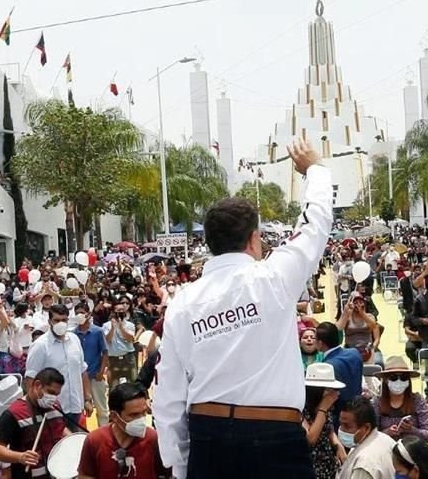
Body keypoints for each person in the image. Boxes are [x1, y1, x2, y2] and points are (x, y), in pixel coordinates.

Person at [154, 140, 332, 479]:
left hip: (210, 438)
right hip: (275, 438)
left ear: (210, 243)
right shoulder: (274, 276)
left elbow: (169, 396)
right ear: (254, 239)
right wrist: (315, 169)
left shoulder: (182, 303)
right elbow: (314, 226)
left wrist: (181, 466)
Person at [0, 367, 70, 479]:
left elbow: (61, 429)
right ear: (37, 385)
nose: (53, 398)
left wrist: (73, 441)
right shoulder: (13, 413)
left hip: (57, 473)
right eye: (50, 392)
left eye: (56, 394)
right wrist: (20, 457)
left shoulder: (55, 406)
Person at [77, 382, 166, 479]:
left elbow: (167, 474)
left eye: (144, 413)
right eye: (134, 415)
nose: (141, 419)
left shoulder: (154, 439)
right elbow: (85, 475)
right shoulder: (95, 440)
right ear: (115, 416)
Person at [25, 303, 91, 423]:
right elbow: (31, 378)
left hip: (76, 407)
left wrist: (87, 398)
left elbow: (83, 371)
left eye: (64, 320)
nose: (61, 323)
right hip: (51, 410)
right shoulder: (40, 345)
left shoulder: (75, 340)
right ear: (50, 321)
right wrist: (36, 407)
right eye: (57, 320)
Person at [372, 356, 428, 443]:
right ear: (385, 380)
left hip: (412, 451)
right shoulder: (377, 403)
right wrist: (386, 433)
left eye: (404, 377)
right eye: (393, 377)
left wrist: (412, 430)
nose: (399, 381)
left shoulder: (417, 400)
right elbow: (371, 437)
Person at [302, 363, 345, 479]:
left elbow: (328, 429)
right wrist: (323, 408)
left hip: (328, 466)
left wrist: (337, 444)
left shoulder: (328, 406)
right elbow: (310, 439)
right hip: (310, 467)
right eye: (328, 389)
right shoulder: (300, 409)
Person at [337, 396, 397, 479]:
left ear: (366, 427)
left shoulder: (364, 465)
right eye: (341, 424)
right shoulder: (386, 440)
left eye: (347, 426)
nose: (342, 430)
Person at [317, 321, 364, 423]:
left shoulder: (326, 367)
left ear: (320, 343)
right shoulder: (355, 353)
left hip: (339, 418)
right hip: (359, 412)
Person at [73, 302, 109, 426]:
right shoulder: (72, 334)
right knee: (80, 410)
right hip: (80, 378)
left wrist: (101, 371)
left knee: (102, 409)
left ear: (88, 314)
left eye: (82, 313)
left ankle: (103, 434)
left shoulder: (98, 331)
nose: (79, 315)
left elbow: (105, 352)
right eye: (77, 313)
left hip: (95, 376)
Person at [337, 292, 383, 367]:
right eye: (355, 302)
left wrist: (372, 349)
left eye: (360, 302)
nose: (358, 304)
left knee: (377, 363)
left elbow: (374, 329)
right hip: (350, 349)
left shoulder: (370, 316)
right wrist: (345, 313)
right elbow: (339, 328)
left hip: (367, 349)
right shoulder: (347, 318)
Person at [104, 299, 138, 384]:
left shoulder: (130, 325)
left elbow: (130, 339)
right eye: (118, 310)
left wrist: (121, 327)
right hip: (113, 359)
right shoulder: (106, 325)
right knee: (113, 386)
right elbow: (107, 340)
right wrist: (112, 328)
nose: (121, 312)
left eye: (122, 310)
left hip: (128, 358)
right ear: (113, 312)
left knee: (132, 384)